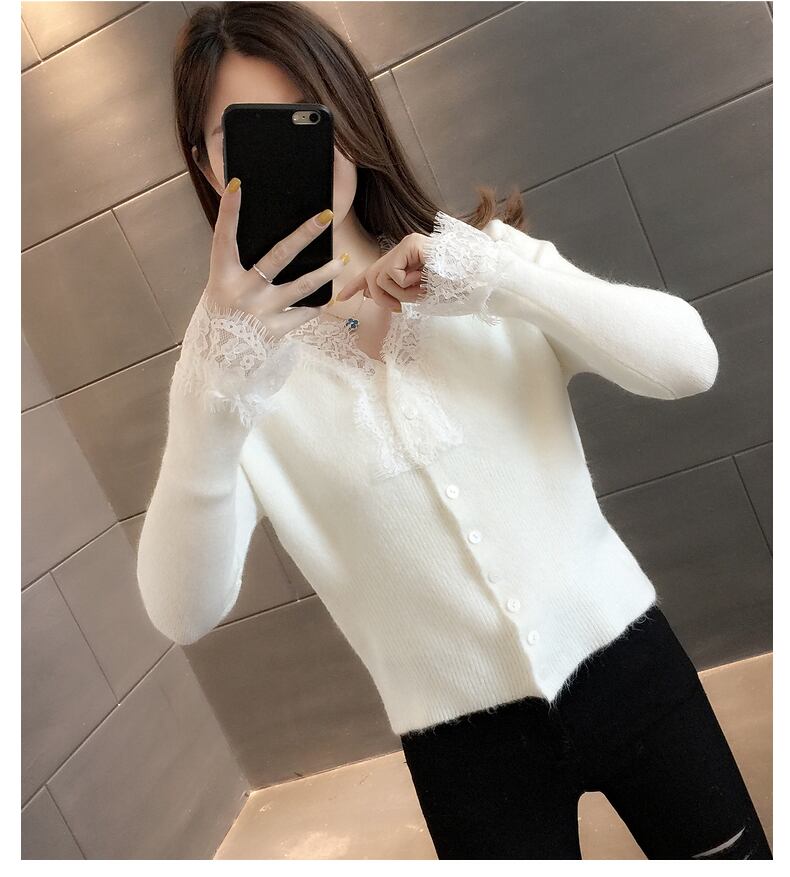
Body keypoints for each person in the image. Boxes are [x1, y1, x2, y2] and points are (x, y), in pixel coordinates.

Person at [136, 2, 772, 860]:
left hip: (634, 665)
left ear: (349, 110)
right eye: (245, 133)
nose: (296, 148)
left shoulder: (480, 265)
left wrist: (497, 278)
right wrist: (212, 399)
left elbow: (689, 362)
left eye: (308, 113)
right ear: (207, 166)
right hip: (466, 754)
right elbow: (182, 607)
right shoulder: (229, 374)